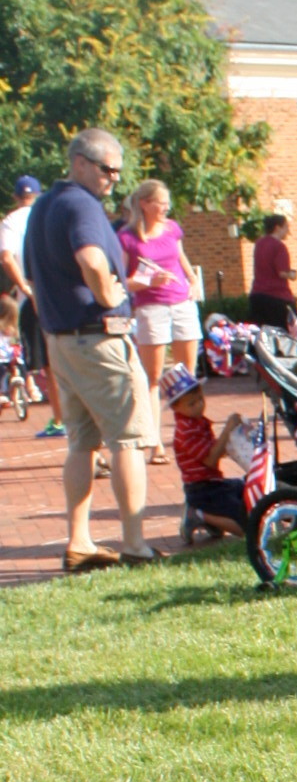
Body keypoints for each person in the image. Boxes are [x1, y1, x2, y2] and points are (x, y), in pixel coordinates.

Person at [21, 129, 161, 569]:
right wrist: (109, 296)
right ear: (79, 161)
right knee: (129, 440)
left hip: (63, 341)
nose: (113, 179)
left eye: (118, 172)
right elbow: (92, 259)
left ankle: (79, 542)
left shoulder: (43, 205)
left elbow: (37, 276)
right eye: (106, 169)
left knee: (81, 443)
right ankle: (135, 543)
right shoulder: (80, 204)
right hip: (99, 338)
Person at [121, 178, 204, 459]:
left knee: (186, 375)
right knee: (154, 378)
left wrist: (193, 280)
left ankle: (192, 436)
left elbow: (180, 258)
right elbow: (122, 281)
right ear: (144, 204)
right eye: (161, 202)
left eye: (167, 202)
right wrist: (148, 282)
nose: (166, 207)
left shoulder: (172, 229)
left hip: (182, 304)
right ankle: (155, 442)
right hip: (151, 308)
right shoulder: (128, 237)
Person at [163, 368, 248, 541]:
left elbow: (216, 450)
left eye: (200, 399)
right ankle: (198, 514)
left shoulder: (197, 422)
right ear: (175, 407)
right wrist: (227, 430)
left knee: (246, 489)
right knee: (248, 527)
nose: (199, 405)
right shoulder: (186, 431)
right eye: (192, 404)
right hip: (202, 489)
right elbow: (210, 459)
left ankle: (213, 521)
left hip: (214, 482)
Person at [0, 173, 58, 426]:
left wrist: (24, 286)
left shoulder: (11, 220)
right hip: (60, 293)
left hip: (32, 299)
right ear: (39, 195)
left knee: (49, 362)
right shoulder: (51, 215)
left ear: (15, 196)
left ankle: (60, 419)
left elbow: (6, 257)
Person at [249, 214, 297, 332]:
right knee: (290, 333)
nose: (288, 231)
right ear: (277, 228)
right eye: (286, 227)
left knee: (263, 336)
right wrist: (292, 275)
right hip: (277, 298)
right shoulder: (279, 246)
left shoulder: (259, 244)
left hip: (257, 295)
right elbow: (282, 273)